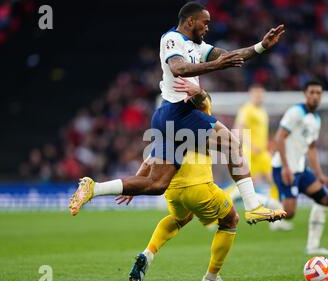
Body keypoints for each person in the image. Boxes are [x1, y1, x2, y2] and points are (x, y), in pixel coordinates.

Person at [69, 2, 286, 224]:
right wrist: (216, 66)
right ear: (190, 21)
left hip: (170, 116)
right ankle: (253, 206)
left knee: (157, 184)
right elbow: (178, 68)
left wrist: (261, 46)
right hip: (179, 112)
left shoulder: (196, 46)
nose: (208, 28)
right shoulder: (172, 39)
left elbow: (229, 56)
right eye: (205, 23)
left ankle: (93, 188)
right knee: (232, 144)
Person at [115, 95, 282, 281]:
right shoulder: (204, 128)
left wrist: (132, 187)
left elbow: (148, 160)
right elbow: (224, 139)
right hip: (197, 187)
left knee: (181, 218)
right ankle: (211, 277)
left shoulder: (172, 128)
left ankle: (148, 252)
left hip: (172, 189)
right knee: (230, 220)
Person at [272, 80, 328, 255]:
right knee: (289, 213)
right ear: (305, 94)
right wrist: (285, 167)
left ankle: (313, 246)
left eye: (318, 93)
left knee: (324, 199)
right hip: (283, 169)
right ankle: (259, 203)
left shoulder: (316, 119)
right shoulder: (295, 112)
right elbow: (279, 138)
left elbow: (312, 148)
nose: (315, 96)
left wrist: (320, 175)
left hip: (300, 169)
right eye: (312, 92)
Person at [230, 84, 290, 231]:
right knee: (241, 186)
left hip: (262, 153)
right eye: (257, 94)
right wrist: (249, 144)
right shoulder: (246, 109)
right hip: (249, 152)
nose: (259, 97)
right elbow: (238, 128)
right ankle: (218, 212)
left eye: (261, 94)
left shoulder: (262, 111)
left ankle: (277, 220)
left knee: (275, 181)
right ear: (251, 95)